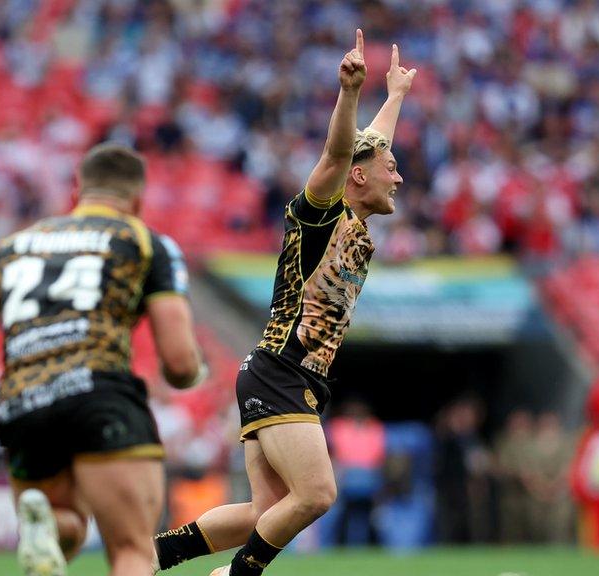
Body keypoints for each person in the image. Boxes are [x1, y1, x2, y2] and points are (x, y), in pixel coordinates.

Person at [153, 31, 416, 576]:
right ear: (358, 178)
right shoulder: (321, 216)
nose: (400, 175)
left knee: (266, 512)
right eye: (390, 168)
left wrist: (393, 98)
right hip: (282, 369)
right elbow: (342, 153)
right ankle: (238, 575)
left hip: (281, 372)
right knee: (317, 493)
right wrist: (350, 93)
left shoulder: (358, 216)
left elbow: (368, 149)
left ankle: (150, 556)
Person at [0, 143, 206, 576]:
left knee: (65, 526)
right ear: (138, 200)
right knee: (132, 549)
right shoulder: (143, 242)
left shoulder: (20, 243)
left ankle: (48, 527)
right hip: (98, 393)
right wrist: (189, 375)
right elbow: (179, 363)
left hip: (24, 402)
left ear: (77, 192)